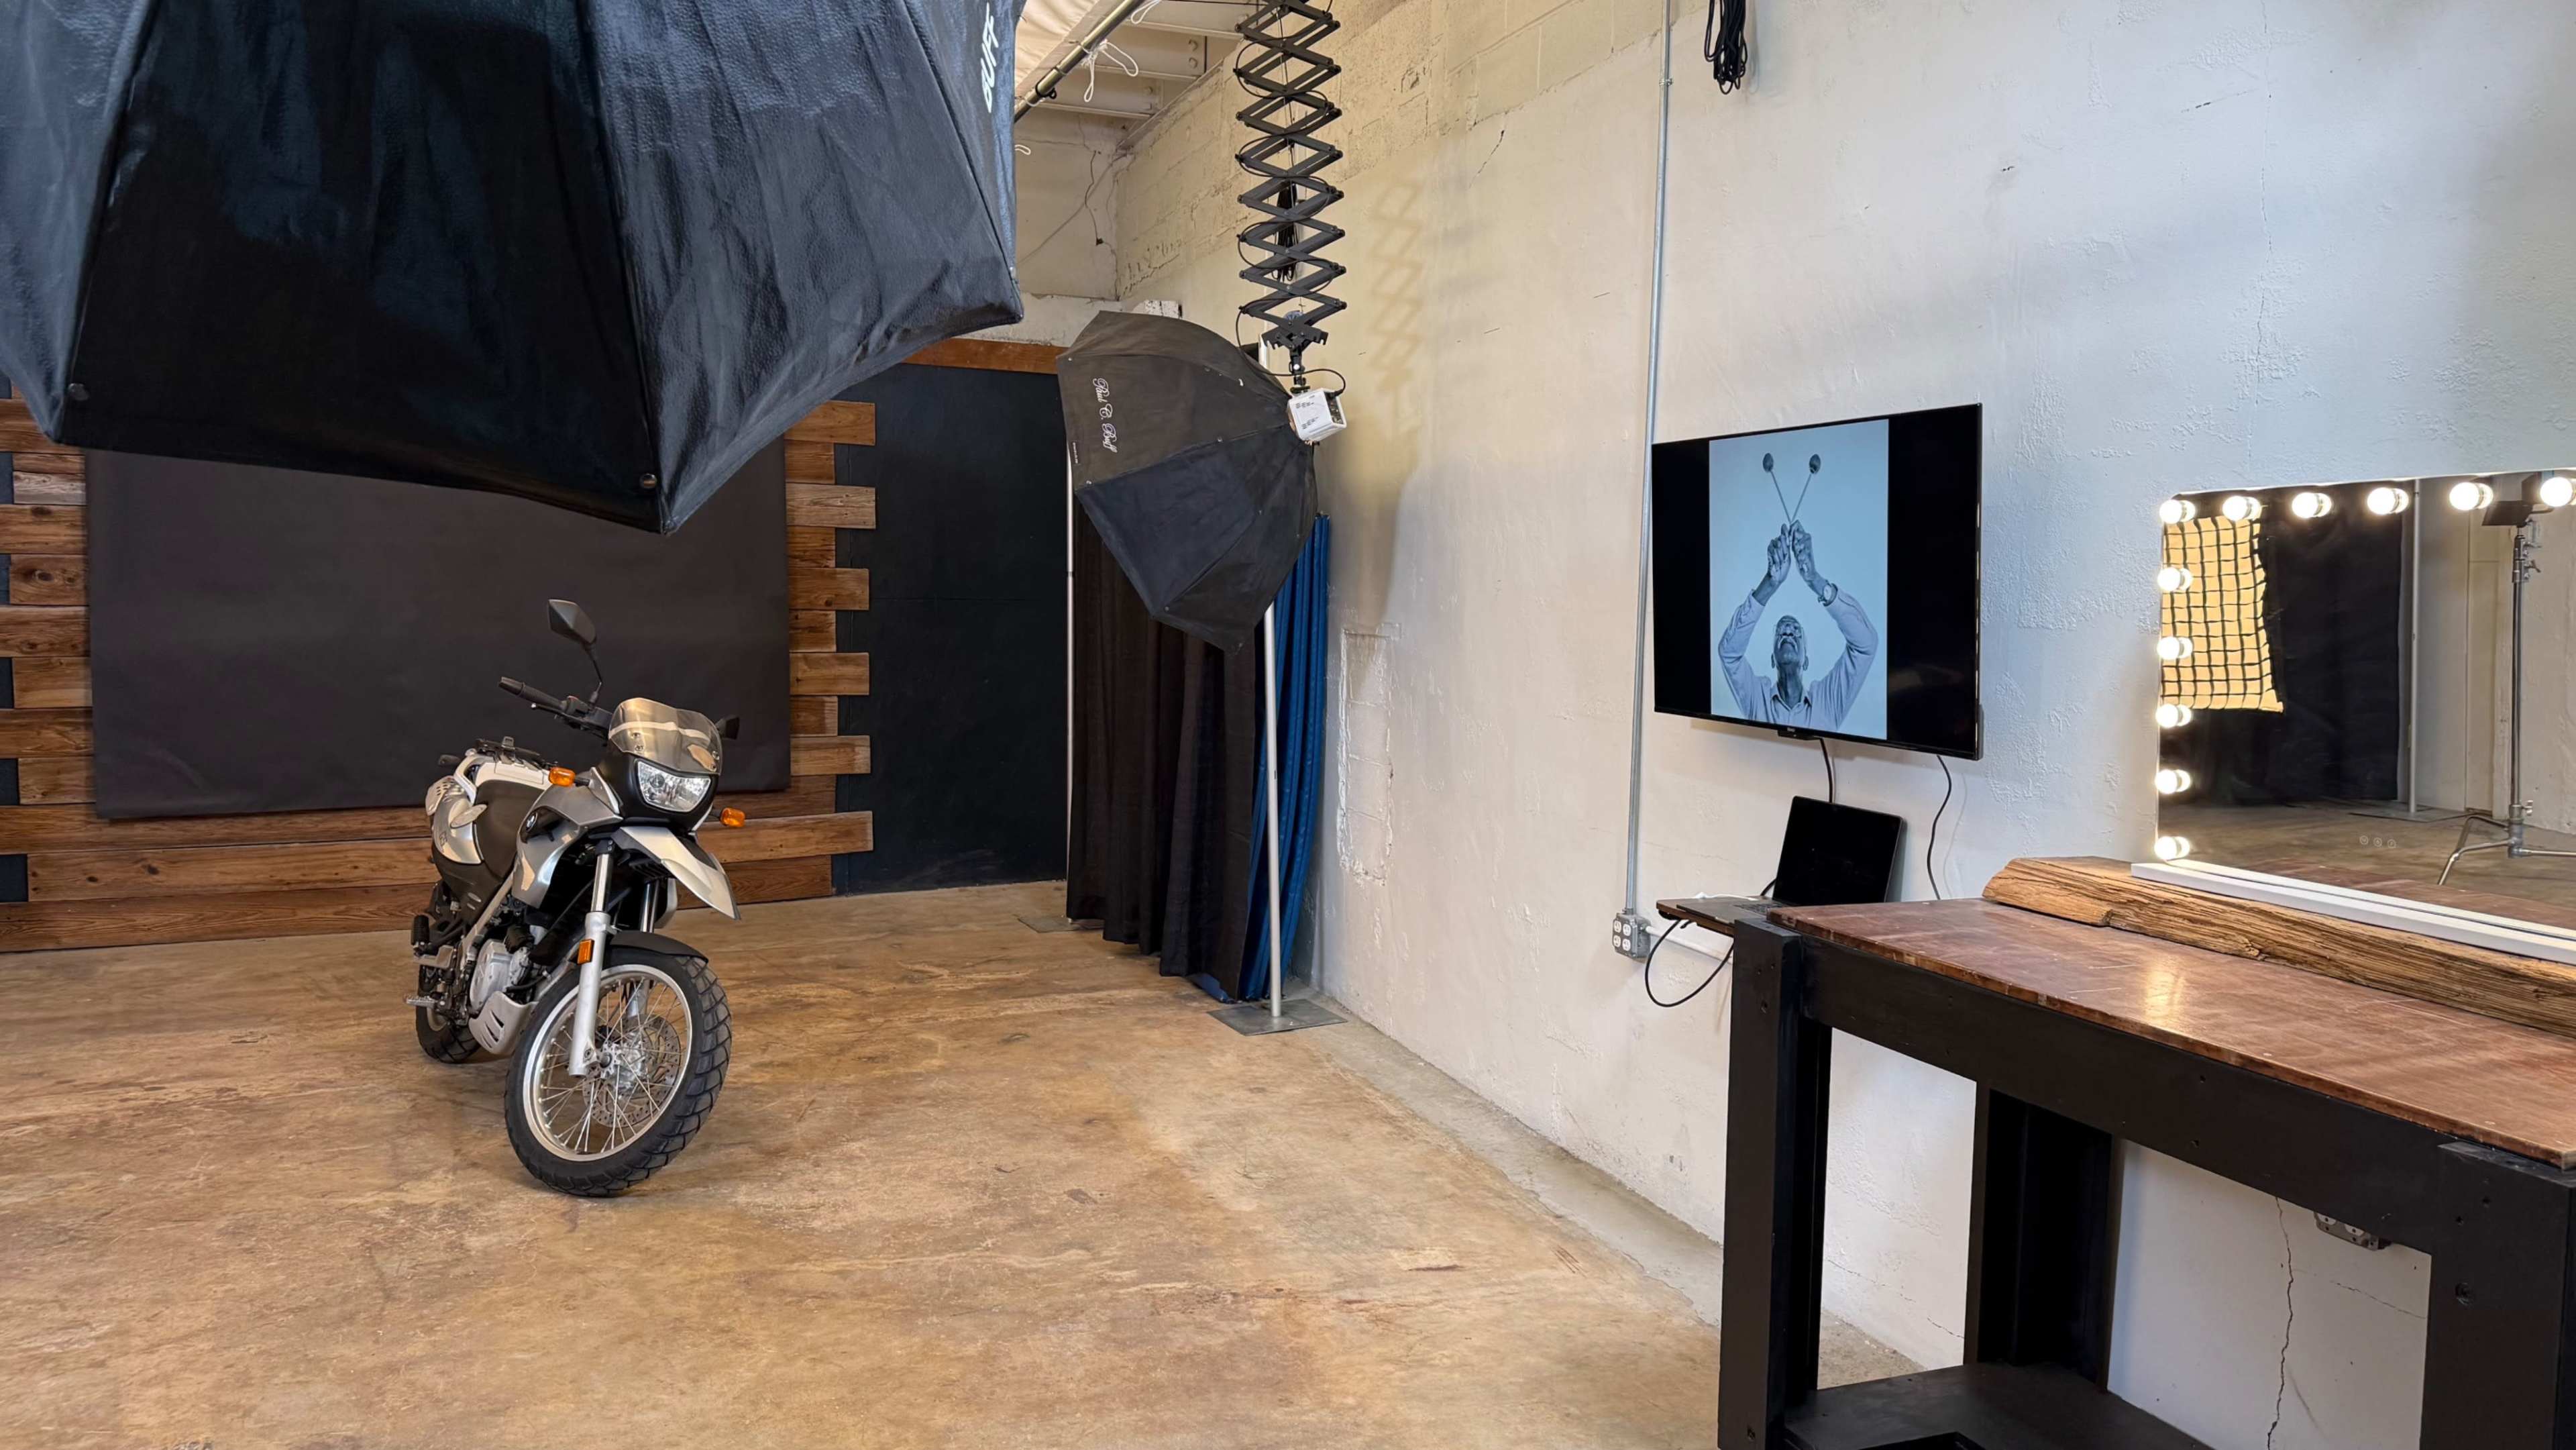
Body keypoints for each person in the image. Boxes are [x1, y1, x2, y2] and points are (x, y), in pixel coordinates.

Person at [1718, 521, 1877, 729]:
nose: (1788, 632)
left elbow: (1866, 644)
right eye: (1782, 631)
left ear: (1806, 661)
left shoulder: (1828, 703)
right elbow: (1728, 653)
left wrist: (1814, 580)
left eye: (1796, 632)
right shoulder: (1757, 698)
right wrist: (1770, 583)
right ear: (1773, 660)